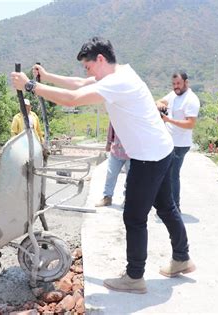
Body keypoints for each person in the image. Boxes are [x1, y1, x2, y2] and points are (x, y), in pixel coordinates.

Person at [11, 37, 195, 294]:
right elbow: (78, 85)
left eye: (88, 66)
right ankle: (182, 258)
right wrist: (48, 76)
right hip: (161, 150)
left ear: (100, 59)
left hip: (148, 157)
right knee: (166, 206)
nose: (87, 72)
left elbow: (73, 98)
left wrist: (30, 86)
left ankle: (134, 277)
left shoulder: (118, 82)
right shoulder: (119, 74)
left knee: (134, 216)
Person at [156, 72, 200, 212]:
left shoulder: (191, 99)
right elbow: (160, 101)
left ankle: (175, 207)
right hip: (169, 142)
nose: (176, 87)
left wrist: (169, 120)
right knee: (165, 174)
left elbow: (190, 124)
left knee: (173, 174)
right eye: (174, 84)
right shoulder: (174, 95)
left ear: (186, 83)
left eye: (179, 84)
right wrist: (159, 104)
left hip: (180, 144)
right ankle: (167, 203)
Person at [95, 122, 130, 207]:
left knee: (131, 178)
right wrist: (108, 142)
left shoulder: (134, 114)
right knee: (111, 174)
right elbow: (111, 127)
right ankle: (107, 197)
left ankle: (128, 200)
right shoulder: (116, 112)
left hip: (132, 152)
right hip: (116, 150)